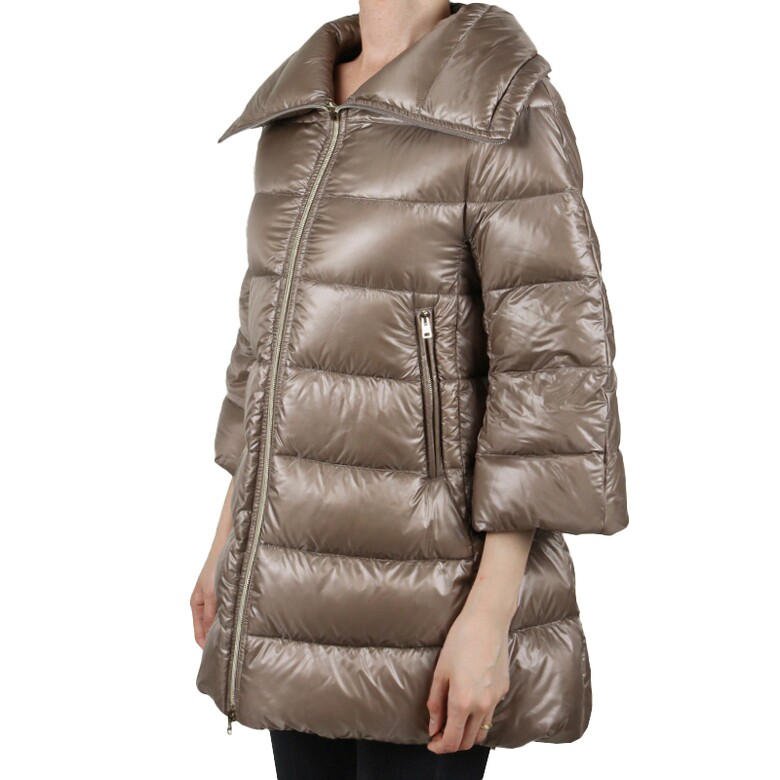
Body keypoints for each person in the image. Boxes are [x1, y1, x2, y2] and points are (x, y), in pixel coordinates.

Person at [191, 1, 629, 778]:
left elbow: (552, 372)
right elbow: (265, 349)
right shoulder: (297, 115)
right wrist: (230, 539)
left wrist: (492, 613)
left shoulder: (501, 102)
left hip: (437, 598)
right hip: (293, 588)